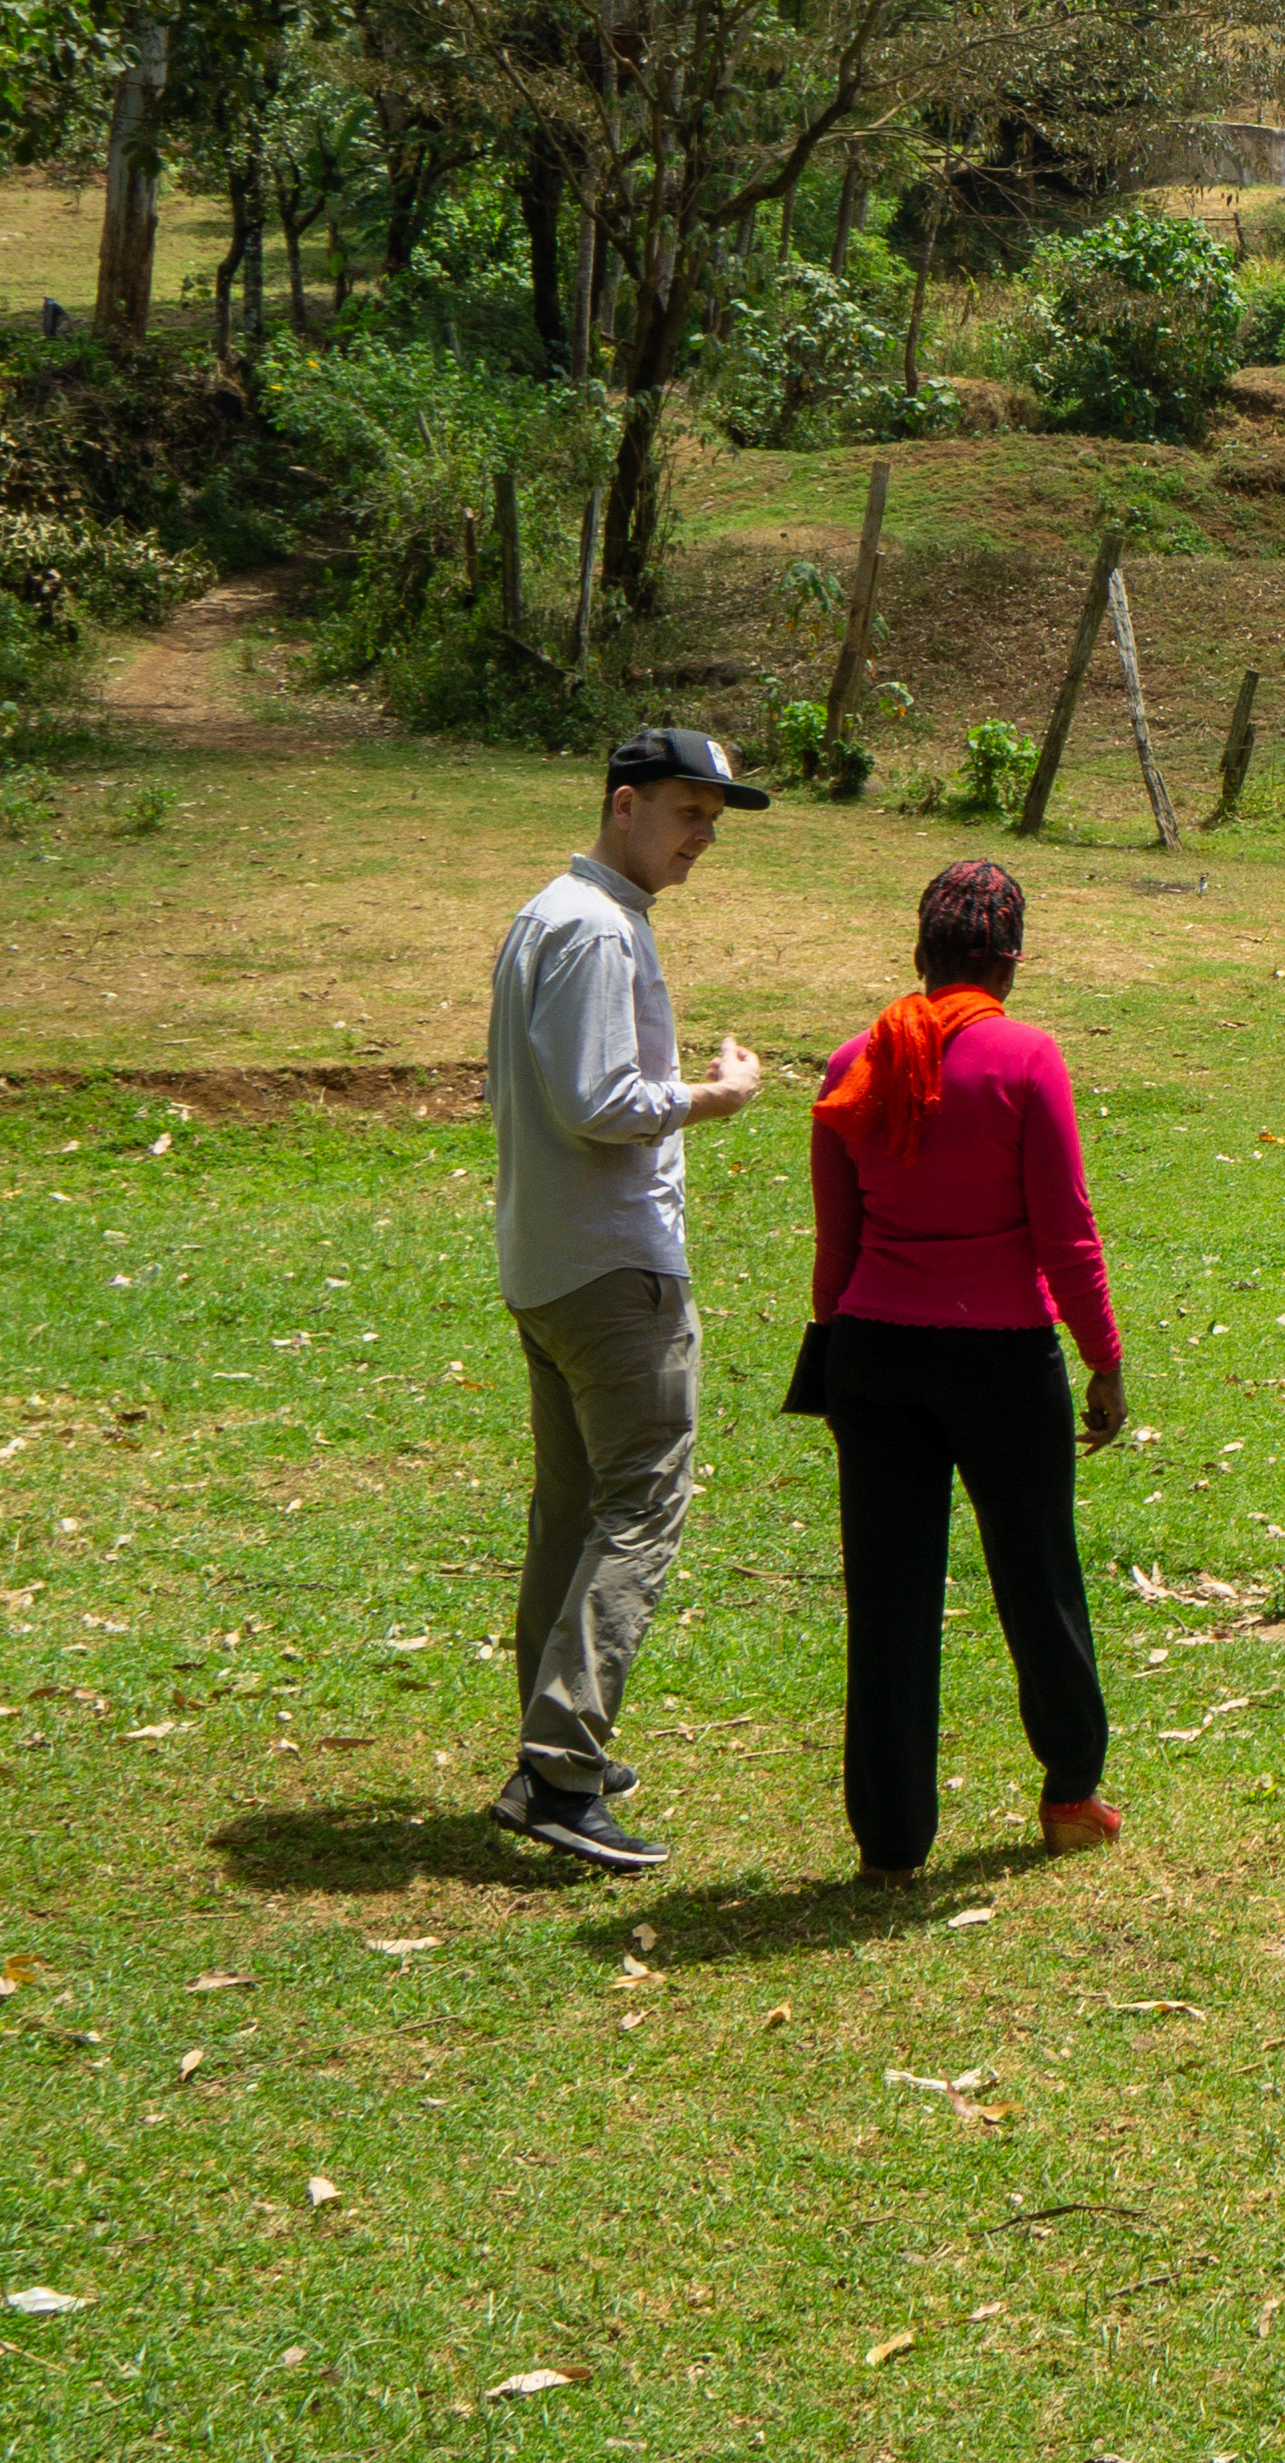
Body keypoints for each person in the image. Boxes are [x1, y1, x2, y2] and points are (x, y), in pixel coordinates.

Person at [807, 858, 1133, 1881]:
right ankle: (1072, 1791)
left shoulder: (855, 1060)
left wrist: (846, 1351)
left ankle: (892, 1842)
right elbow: (1065, 1230)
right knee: (1037, 1575)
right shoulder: (1027, 1058)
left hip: (873, 1354)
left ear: (922, 951)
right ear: (1012, 959)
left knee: (890, 1594)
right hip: (1000, 1360)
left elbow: (837, 1248)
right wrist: (1104, 1360)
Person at [482, 729, 771, 1875]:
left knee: (574, 1506)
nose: (704, 838)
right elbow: (604, 1101)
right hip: (612, 1269)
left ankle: (557, 1752)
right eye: (687, 814)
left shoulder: (547, 913)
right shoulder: (598, 928)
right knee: (642, 1504)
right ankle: (560, 1766)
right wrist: (715, 1094)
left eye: (712, 819)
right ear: (621, 806)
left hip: (548, 1260)